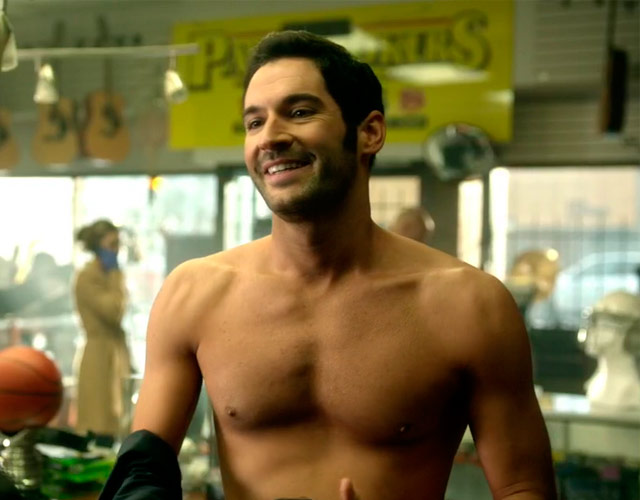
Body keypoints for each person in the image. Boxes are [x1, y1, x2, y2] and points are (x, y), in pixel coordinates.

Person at [101, 31, 556, 500]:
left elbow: (524, 489)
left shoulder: (471, 305)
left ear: (369, 132)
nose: (270, 137)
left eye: (300, 112)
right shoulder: (194, 293)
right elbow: (143, 473)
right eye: (254, 122)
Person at [74, 219, 130, 437]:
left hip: (116, 352)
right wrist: (116, 275)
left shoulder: (108, 276)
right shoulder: (87, 277)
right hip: (98, 356)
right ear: (98, 246)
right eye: (112, 244)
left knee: (119, 422)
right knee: (98, 422)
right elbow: (114, 311)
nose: (116, 250)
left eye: (118, 244)